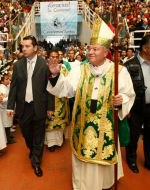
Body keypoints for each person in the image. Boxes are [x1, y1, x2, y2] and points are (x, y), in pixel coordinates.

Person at [47, 18, 135, 189]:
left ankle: (105, 183)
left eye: (95, 49)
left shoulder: (118, 70)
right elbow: (67, 90)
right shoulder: (80, 68)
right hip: (83, 124)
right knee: (83, 156)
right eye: (89, 48)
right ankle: (83, 185)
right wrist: (56, 76)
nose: (90, 52)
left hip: (106, 125)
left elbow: (128, 94)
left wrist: (121, 99)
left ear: (106, 51)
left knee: (103, 155)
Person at [7, 35, 55, 177]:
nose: (24, 49)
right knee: (27, 134)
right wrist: (10, 106)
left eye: (27, 46)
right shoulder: (18, 65)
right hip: (23, 107)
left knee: (39, 137)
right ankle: (33, 150)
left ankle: (36, 162)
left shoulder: (44, 65)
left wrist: (50, 107)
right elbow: (13, 87)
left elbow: (50, 87)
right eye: (23, 46)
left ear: (35, 48)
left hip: (39, 106)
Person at [124, 35, 150, 173]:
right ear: (145, 48)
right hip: (135, 108)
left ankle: (148, 161)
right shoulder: (129, 65)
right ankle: (131, 159)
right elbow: (124, 89)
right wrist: (126, 108)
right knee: (133, 136)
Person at [45, 50, 70, 152]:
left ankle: (59, 141)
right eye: (52, 56)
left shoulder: (63, 69)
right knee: (50, 123)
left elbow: (68, 84)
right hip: (49, 100)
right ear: (48, 57)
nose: (54, 58)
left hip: (62, 101)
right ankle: (51, 143)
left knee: (60, 124)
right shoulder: (45, 69)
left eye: (56, 56)